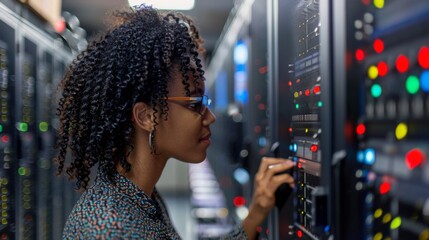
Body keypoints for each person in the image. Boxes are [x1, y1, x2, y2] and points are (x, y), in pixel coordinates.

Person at [54, 4, 295, 240]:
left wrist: (256, 213)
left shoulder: (137, 195)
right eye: (194, 105)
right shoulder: (109, 229)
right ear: (146, 116)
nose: (210, 117)